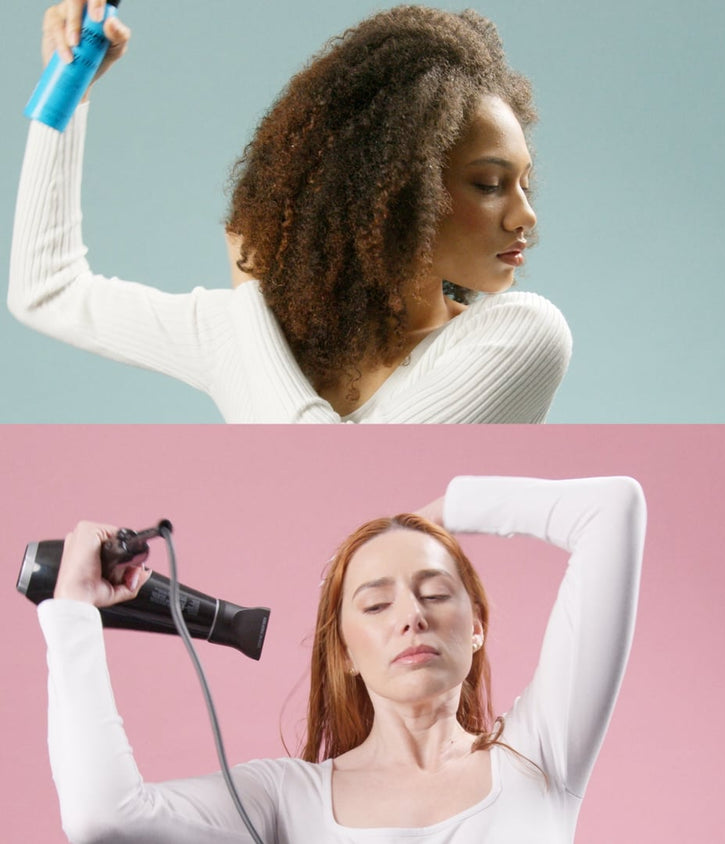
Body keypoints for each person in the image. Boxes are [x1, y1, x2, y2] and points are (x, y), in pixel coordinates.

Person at [8, 1, 570, 422]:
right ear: (393, 190)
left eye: (524, 182)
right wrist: (68, 86)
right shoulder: (242, 334)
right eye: (491, 184)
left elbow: (339, 476)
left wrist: (249, 293)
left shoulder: (521, 338)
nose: (527, 216)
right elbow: (46, 291)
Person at [40, 475, 644, 842]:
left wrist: (444, 513)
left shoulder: (538, 760)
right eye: (376, 605)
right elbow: (103, 818)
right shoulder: (287, 801)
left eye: (435, 593)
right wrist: (73, 613)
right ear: (347, 652)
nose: (412, 614)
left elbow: (612, 509)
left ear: (477, 628)